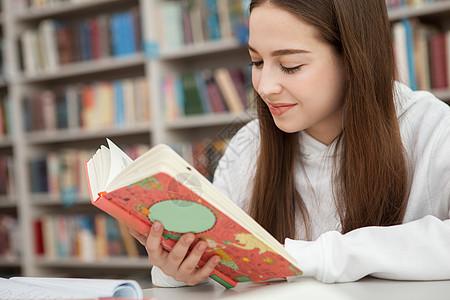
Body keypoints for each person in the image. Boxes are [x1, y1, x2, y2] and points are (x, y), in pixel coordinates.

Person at [130, 0, 450, 287]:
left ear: (354, 57)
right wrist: (178, 271)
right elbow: (221, 270)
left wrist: (316, 257)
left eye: (291, 65)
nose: (265, 87)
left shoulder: (431, 128)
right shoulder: (248, 148)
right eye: (256, 62)